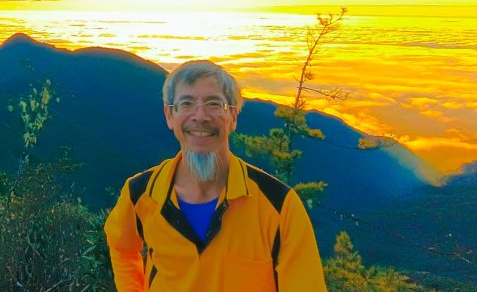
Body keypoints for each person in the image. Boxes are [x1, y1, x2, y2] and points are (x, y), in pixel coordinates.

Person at [104, 60, 327, 292]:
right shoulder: (140, 194)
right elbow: (121, 246)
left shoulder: (280, 207)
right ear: (170, 115)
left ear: (233, 117)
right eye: (186, 103)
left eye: (214, 104)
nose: (200, 116)